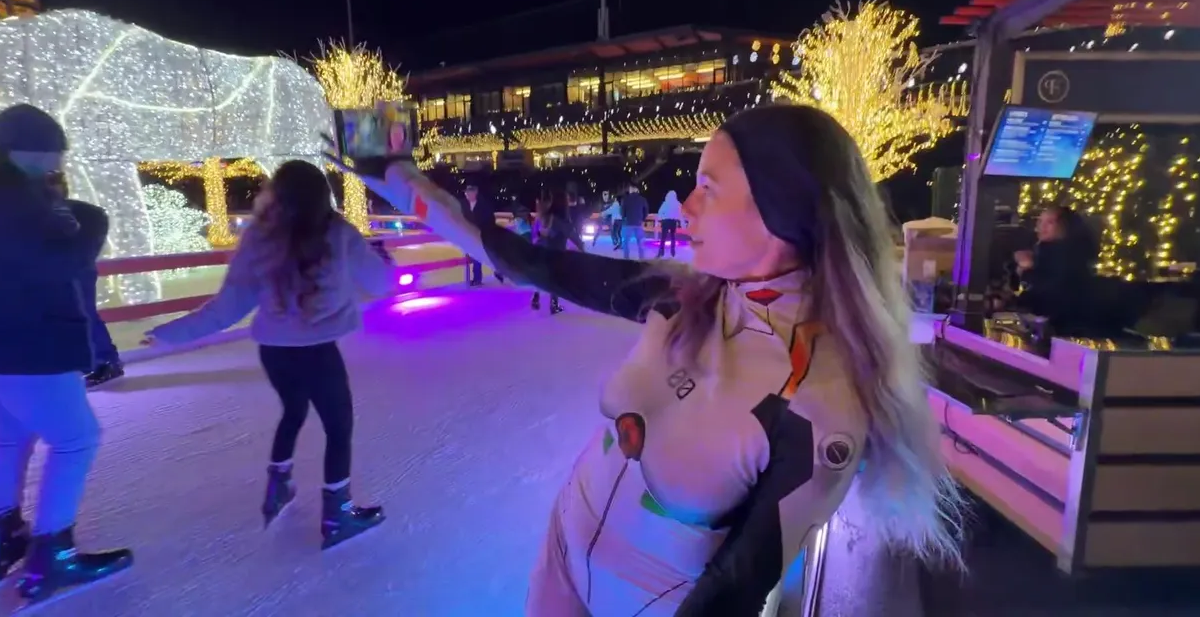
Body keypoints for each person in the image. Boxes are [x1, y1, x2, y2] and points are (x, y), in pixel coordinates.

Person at [329, 103, 961, 615]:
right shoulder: (684, 297)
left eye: (708, 188)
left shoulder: (823, 399)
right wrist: (401, 181)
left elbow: (736, 591)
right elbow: (527, 262)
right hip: (563, 552)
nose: (685, 207)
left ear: (782, 212)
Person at [144, 160, 390, 549]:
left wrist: (167, 334)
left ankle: (279, 485)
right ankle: (337, 515)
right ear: (322, 195)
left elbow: (226, 308)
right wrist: (384, 263)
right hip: (317, 352)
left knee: (293, 411)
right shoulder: (338, 233)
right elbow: (379, 282)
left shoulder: (259, 237)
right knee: (338, 427)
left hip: (275, 352)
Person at [0, 104, 132, 601]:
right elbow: (54, 266)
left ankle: (0, 538)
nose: (59, 160)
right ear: (27, 150)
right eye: (55, 150)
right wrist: (92, 224)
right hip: (28, 343)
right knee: (77, 439)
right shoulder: (15, 200)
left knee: (11, 435)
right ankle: (53, 555)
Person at [45, 172, 124, 388]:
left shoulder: (87, 213)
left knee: (84, 315)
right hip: (46, 277)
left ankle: (105, 362)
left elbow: (86, 248)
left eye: (53, 184)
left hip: (75, 274)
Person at [1014, 204, 1098, 334]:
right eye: (1040, 221)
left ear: (1065, 226)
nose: (1042, 226)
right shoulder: (1044, 251)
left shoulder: (1067, 256)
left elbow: (1051, 293)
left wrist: (1027, 271)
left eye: (1050, 222)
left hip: (1064, 328)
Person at [530, 189, 574, 316]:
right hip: (555, 250)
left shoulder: (545, 214)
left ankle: (536, 296)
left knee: (541, 274)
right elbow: (568, 234)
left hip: (541, 249)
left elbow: (536, 231)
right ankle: (554, 304)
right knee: (555, 278)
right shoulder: (561, 218)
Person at [462, 183, 497, 285]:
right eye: (466, 192)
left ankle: (478, 278)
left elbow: (489, 219)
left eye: (469, 192)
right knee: (473, 256)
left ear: (475, 193)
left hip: (482, 235)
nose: (467, 194)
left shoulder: (483, 205)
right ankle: (476, 278)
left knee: (480, 256)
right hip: (470, 235)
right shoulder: (464, 206)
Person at [619, 183, 649, 261]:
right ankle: (642, 259)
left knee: (626, 242)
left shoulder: (625, 199)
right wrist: (642, 219)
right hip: (638, 223)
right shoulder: (642, 199)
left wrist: (624, 218)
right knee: (640, 242)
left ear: (632, 190)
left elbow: (622, 211)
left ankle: (626, 259)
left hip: (628, 223)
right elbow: (646, 211)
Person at [656, 189, 683, 258]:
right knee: (672, 236)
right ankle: (672, 251)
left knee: (663, 237)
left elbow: (660, 212)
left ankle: (661, 251)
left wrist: (659, 219)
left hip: (665, 221)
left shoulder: (665, 203)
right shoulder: (677, 204)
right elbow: (680, 213)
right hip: (673, 221)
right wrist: (681, 222)